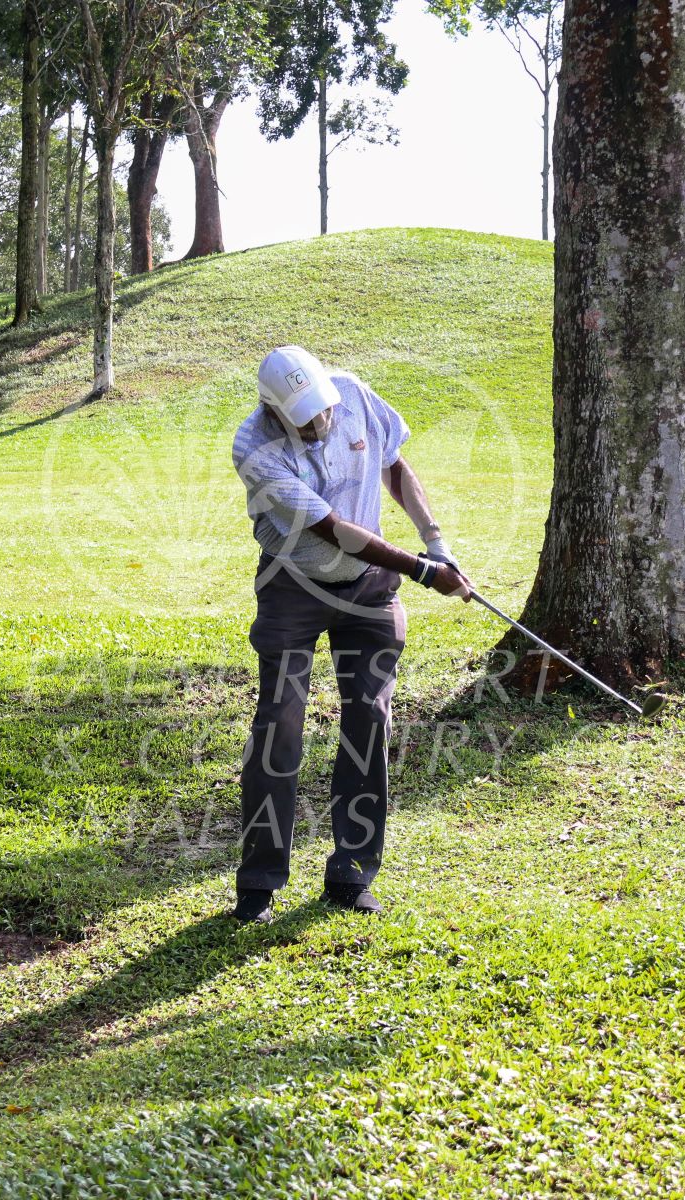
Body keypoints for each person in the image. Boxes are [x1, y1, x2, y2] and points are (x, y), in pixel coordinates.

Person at [228, 345, 472, 924]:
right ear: (272, 409)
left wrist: (435, 543)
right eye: (305, 417)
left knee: (369, 718)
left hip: (370, 591)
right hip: (295, 586)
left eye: (324, 410)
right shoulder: (254, 448)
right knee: (280, 723)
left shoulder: (353, 393)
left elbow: (393, 465)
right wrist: (420, 570)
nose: (322, 423)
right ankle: (260, 882)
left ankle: (352, 872)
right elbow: (334, 530)